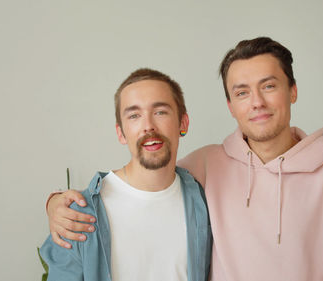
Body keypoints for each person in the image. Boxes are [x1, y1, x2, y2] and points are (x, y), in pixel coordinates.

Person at [46, 37, 323, 280]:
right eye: (242, 92)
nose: (256, 102)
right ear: (230, 105)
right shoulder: (208, 166)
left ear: (292, 91)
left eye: (269, 86)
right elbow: (148, 176)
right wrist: (55, 204)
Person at [40, 68, 212, 281]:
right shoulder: (77, 216)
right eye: (134, 116)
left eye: (160, 112)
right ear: (121, 133)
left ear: (183, 123)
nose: (148, 126)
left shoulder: (204, 202)